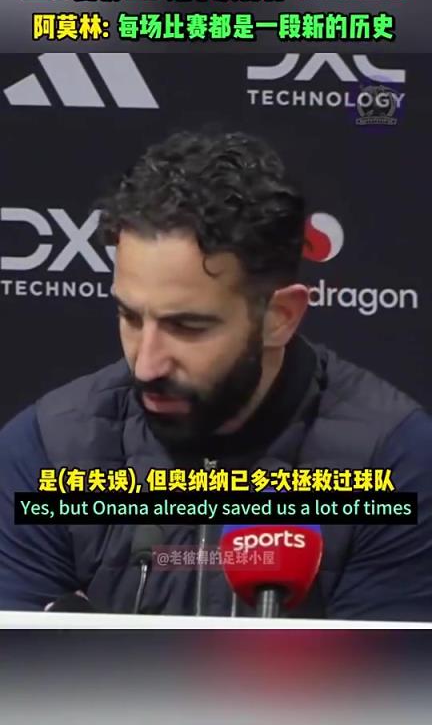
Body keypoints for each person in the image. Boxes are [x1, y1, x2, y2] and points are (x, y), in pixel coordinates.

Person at [1, 129, 432, 619]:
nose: (147, 364)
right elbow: (24, 665)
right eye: (130, 317)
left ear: (280, 318)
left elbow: (387, 670)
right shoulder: (47, 453)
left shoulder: (393, 465)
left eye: (187, 326)